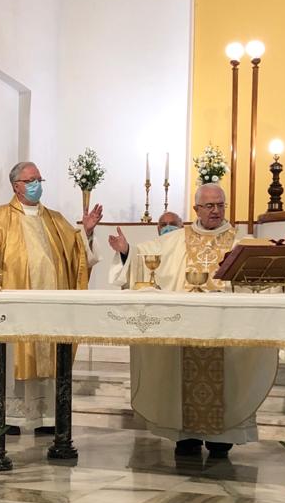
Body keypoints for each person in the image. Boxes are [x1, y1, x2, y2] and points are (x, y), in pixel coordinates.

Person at [107, 183, 276, 459]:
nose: (216, 210)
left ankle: (222, 438)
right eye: (209, 205)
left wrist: (280, 252)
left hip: (225, 330)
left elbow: (262, 274)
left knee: (228, 380)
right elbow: (146, 256)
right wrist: (127, 251)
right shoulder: (177, 239)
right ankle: (186, 437)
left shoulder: (240, 243)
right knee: (179, 381)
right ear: (196, 209)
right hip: (185, 330)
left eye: (220, 205)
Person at [0, 161, 103, 432]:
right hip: (16, 309)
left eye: (39, 180)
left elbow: (77, 255)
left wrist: (86, 232)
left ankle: (48, 418)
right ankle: (11, 418)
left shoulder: (55, 219)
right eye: (31, 181)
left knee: (50, 354)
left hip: (51, 308)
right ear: (16, 186)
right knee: (16, 356)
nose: (36, 185)